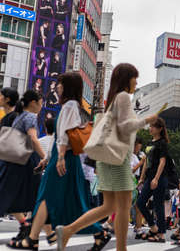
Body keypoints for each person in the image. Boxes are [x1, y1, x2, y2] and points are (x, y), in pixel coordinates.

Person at [56, 64, 158, 251]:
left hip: (107, 158)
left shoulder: (114, 99)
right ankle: (120, 249)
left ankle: (68, 230)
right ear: (127, 78)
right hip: (117, 160)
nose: (136, 81)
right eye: (135, 77)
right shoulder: (123, 97)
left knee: (109, 207)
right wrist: (147, 120)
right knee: (123, 206)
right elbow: (126, 126)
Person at [8, 73, 108, 251]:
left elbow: (65, 134)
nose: (57, 86)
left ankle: (32, 239)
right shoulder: (72, 106)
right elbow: (60, 135)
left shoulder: (70, 106)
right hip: (63, 156)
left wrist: (59, 157)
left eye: (60, 84)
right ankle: (99, 233)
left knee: (47, 196)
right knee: (73, 200)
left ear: (67, 86)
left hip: (64, 157)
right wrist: (49, 157)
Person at [0, 90, 47, 248]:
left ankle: (33, 233)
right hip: (23, 162)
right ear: (33, 102)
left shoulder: (19, 115)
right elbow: (33, 139)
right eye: (41, 103)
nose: (41, 107)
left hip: (15, 161)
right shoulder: (29, 116)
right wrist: (44, 156)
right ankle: (35, 233)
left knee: (19, 196)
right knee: (33, 197)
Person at [135, 118, 169, 243]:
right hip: (149, 178)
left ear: (160, 129)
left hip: (159, 178)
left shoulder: (162, 143)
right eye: (150, 126)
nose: (150, 128)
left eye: (153, 126)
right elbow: (146, 162)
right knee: (140, 203)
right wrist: (142, 178)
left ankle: (161, 234)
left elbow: (163, 161)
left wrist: (156, 178)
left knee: (158, 205)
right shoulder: (150, 143)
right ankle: (154, 227)